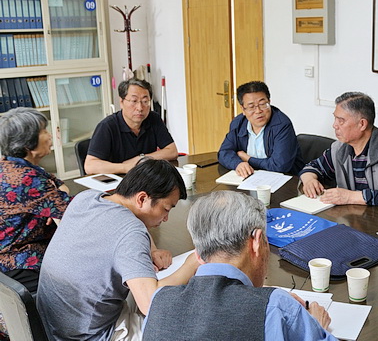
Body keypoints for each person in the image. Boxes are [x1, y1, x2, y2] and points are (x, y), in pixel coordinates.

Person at [37, 159, 199, 341]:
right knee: (184, 325)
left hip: (52, 322)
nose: (166, 218)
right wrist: (193, 263)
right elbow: (150, 304)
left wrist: (151, 249)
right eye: (166, 209)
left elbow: (124, 229)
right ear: (142, 199)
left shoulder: (86, 198)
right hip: (88, 335)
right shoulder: (131, 232)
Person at [142, 190, 336, 340]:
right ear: (257, 242)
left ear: (198, 254)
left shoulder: (159, 301)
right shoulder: (276, 306)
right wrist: (316, 327)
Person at [299, 92, 378, 211]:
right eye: (335, 118)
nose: (334, 125)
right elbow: (312, 167)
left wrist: (349, 197)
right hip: (358, 217)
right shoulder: (339, 148)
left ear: (362, 124)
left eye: (341, 120)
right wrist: (309, 180)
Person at [0, 107, 71, 294]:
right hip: (18, 261)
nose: (50, 135)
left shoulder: (9, 164)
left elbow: (59, 185)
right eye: (44, 131)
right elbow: (73, 211)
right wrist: (52, 204)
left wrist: (50, 204)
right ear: (28, 145)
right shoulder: (27, 179)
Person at [85, 79, 178, 175]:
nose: (140, 108)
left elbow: (172, 151)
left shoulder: (153, 118)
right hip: (119, 179)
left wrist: (141, 159)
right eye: (134, 101)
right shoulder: (107, 126)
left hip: (145, 178)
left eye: (145, 101)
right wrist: (125, 167)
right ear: (121, 102)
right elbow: (90, 166)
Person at [218, 81, 304, 177]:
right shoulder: (238, 123)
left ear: (269, 102)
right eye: (251, 107)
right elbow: (224, 152)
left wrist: (248, 159)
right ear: (243, 109)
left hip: (286, 179)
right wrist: (238, 163)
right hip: (252, 178)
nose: (258, 111)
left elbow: (279, 166)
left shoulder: (282, 125)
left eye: (263, 104)